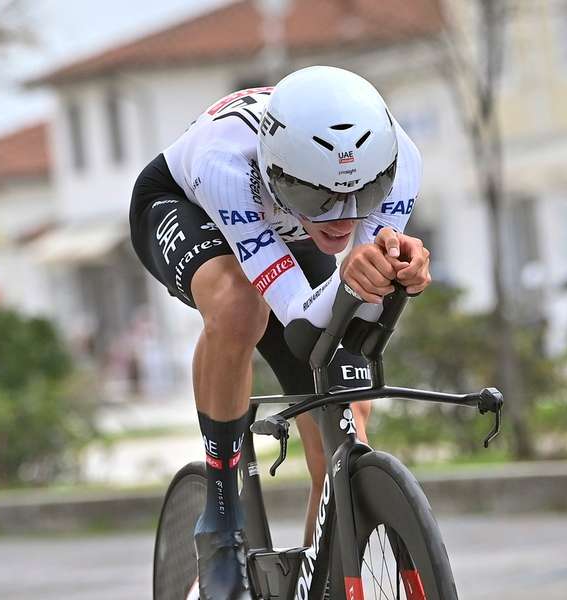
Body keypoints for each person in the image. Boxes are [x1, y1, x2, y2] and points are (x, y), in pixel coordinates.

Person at [129, 66, 431, 599]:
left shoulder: (399, 159)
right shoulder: (226, 166)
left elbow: (353, 313)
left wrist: (397, 271)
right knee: (242, 308)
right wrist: (356, 278)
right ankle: (221, 519)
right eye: (324, 198)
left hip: (293, 228)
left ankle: (323, 575)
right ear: (277, 173)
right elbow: (297, 317)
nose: (344, 218)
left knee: (346, 423)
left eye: (363, 194)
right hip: (188, 205)